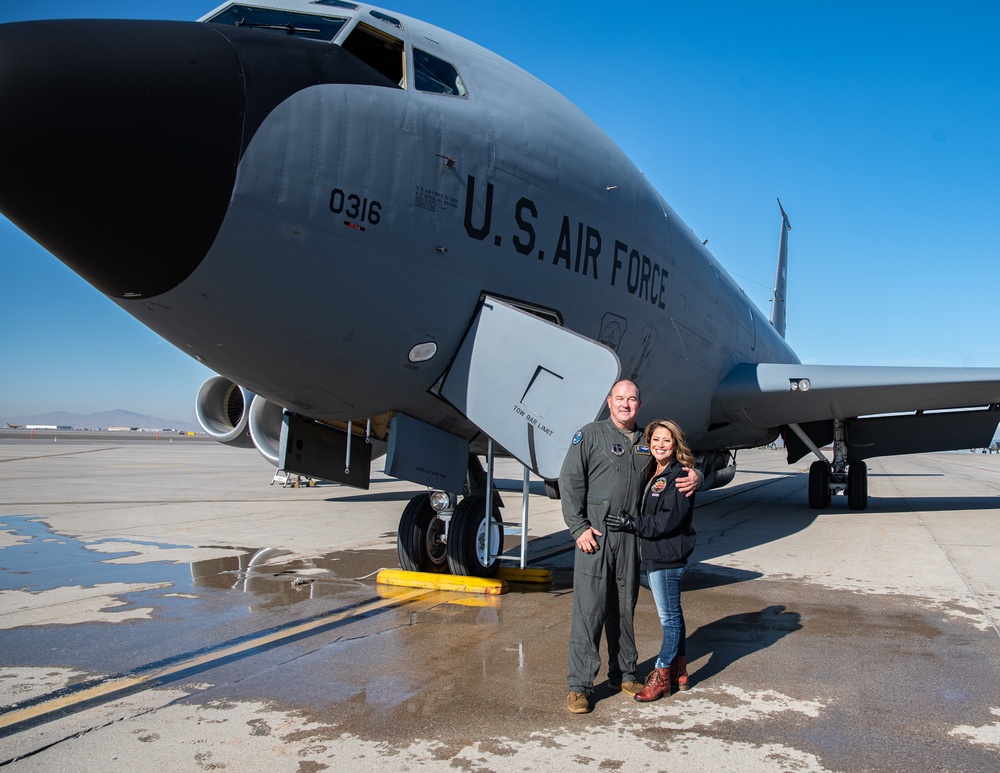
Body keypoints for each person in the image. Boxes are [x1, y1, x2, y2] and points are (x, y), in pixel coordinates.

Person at [559, 380, 700, 714]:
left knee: (624, 608)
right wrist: (578, 527)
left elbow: (674, 465)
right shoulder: (590, 435)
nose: (625, 404)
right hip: (595, 536)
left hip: (630, 539)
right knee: (590, 610)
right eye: (619, 398)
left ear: (639, 403)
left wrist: (697, 475)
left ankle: (623, 673)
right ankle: (579, 686)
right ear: (609, 402)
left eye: (632, 399)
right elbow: (570, 481)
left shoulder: (645, 443)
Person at [607, 417, 697, 702]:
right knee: (675, 616)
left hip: (667, 557)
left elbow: (667, 520)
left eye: (666, 440)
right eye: (655, 439)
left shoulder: (679, 475)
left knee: (669, 620)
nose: (660, 445)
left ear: (675, 444)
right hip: (658, 554)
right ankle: (680, 670)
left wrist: (631, 524)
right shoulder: (653, 471)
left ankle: (661, 676)